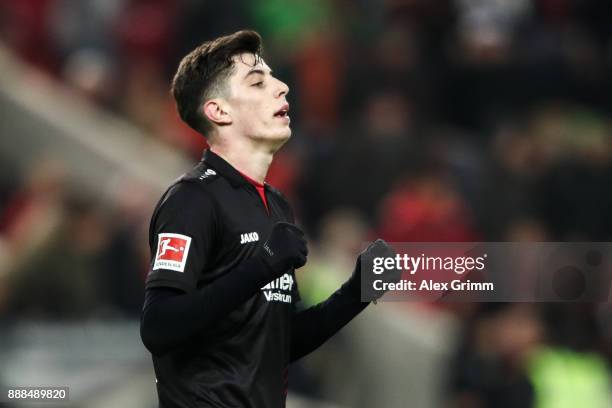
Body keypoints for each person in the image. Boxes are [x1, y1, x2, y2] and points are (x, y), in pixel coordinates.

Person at [140, 30, 396, 408]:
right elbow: (159, 326)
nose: (282, 88)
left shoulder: (276, 206)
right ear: (219, 111)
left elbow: (280, 341)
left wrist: (356, 293)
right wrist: (261, 266)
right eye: (258, 82)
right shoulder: (192, 200)